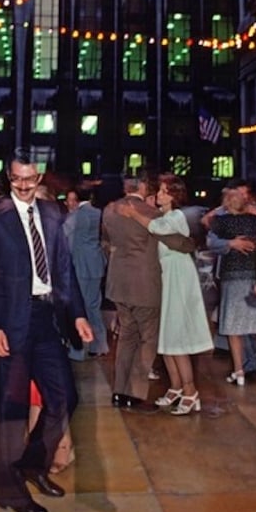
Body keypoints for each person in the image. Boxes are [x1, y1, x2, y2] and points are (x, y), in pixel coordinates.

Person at [0, 148, 93, 512]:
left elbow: (64, 267)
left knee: (64, 397)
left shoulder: (52, 212)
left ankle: (32, 465)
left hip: (46, 317)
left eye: (30, 178)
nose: (24, 186)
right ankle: (10, 491)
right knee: (12, 410)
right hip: (11, 321)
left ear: (40, 176)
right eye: (17, 179)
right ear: (7, 177)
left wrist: (77, 313)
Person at [120, 175, 211, 414]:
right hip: (167, 277)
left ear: (174, 195)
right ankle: (176, 386)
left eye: (163, 192)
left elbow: (156, 228)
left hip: (179, 277)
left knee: (177, 338)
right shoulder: (165, 216)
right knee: (167, 338)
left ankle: (191, 391)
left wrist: (134, 214)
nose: (158, 195)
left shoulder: (176, 217)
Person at [104, 175, 195, 412]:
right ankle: (135, 393)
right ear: (143, 188)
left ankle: (118, 392)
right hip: (145, 284)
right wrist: (191, 244)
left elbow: (105, 243)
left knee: (126, 338)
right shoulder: (151, 213)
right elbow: (177, 242)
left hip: (118, 283)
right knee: (147, 340)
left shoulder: (109, 210)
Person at [208, 185, 256, 386]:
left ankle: (239, 371)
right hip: (253, 276)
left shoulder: (220, 223)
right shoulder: (255, 222)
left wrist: (229, 244)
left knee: (234, 328)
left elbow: (211, 243)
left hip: (231, 278)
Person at [65, 186, 109, 359]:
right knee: (93, 305)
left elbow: (63, 234)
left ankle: (78, 351)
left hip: (81, 264)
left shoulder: (75, 215)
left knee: (79, 309)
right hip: (96, 262)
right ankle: (100, 345)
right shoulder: (98, 212)